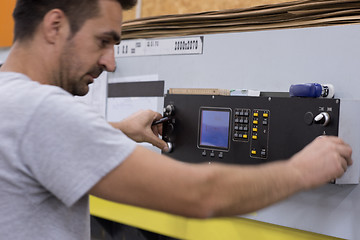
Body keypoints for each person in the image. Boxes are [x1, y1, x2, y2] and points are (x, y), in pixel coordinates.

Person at [0, 0, 353, 239]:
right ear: (55, 26)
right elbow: (201, 194)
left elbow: (39, 145)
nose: (110, 62)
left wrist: (120, 130)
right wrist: (302, 170)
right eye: (103, 41)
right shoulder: (43, 110)